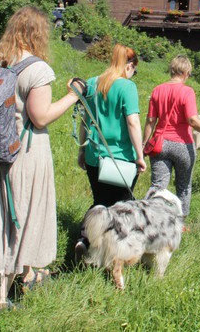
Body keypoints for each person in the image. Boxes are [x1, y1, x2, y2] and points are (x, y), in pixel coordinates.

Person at [0, 6, 82, 308]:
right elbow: (40, 117)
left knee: (0, 214)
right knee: (20, 216)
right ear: (39, 34)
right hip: (25, 154)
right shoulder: (37, 70)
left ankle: (24, 273)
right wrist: (73, 95)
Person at [74, 44, 146, 260]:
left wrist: (81, 150)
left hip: (94, 156)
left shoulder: (94, 82)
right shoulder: (127, 87)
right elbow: (133, 123)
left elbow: (85, 120)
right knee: (121, 207)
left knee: (99, 201)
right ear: (129, 66)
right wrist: (140, 156)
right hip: (120, 159)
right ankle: (113, 255)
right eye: (134, 70)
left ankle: (85, 240)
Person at [143, 56, 200, 218]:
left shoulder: (157, 90)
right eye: (189, 74)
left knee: (157, 187)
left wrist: (143, 145)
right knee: (183, 186)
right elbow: (192, 120)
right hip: (182, 144)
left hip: (160, 143)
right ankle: (180, 222)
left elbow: (150, 120)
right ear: (185, 72)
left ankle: (151, 220)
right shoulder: (187, 91)